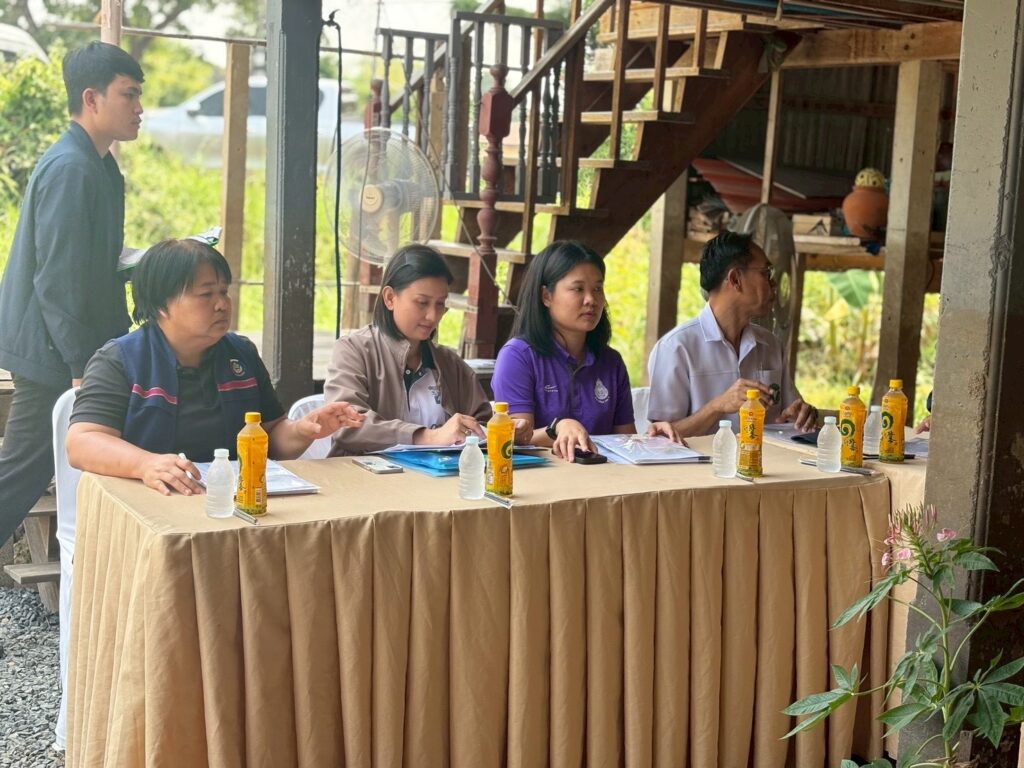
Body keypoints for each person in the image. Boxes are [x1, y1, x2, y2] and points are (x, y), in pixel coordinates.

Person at [66, 239, 364, 495]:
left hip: (231, 501)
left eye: (224, 291)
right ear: (161, 305)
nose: (222, 304)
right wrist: (145, 464)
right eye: (206, 294)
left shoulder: (241, 354)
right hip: (151, 502)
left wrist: (304, 429)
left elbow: (269, 439)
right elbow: (82, 442)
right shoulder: (120, 360)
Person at [0, 43, 145, 546]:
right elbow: (58, 282)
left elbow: (87, 260)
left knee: (28, 470)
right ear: (91, 98)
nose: (139, 108)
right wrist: (81, 366)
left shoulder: (101, 166)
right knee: (22, 473)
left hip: (75, 346)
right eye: (128, 95)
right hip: (53, 350)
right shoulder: (71, 168)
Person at [491, 240, 678, 462]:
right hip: (542, 478)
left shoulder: (611, 361)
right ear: (546, 296)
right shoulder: (517, 357)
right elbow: (515, 439)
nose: (591, 300)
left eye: (597, 289)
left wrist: (652, 440)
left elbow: (624, 439)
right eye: (578, 289)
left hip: (604, 478)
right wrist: (558, 428)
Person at [325, 243, 506, 455]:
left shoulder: (450, 363)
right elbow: (345, 423)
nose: (433, 316)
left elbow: (481, 422)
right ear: (389, 298)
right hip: (362, 474)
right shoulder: (353, 351)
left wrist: (502, 430)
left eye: (440, 304)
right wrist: (428, 437)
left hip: (440, 475)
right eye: (422, 303)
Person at [647, 230, 817, 438]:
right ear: (735, 279)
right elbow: (660, 438)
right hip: (702, 460)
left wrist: (801, 415)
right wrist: (717, 406)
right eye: (766, 273)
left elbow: (788, 415)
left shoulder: (771, 344)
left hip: (765, 458)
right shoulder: (675, 348)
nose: (774, 283)